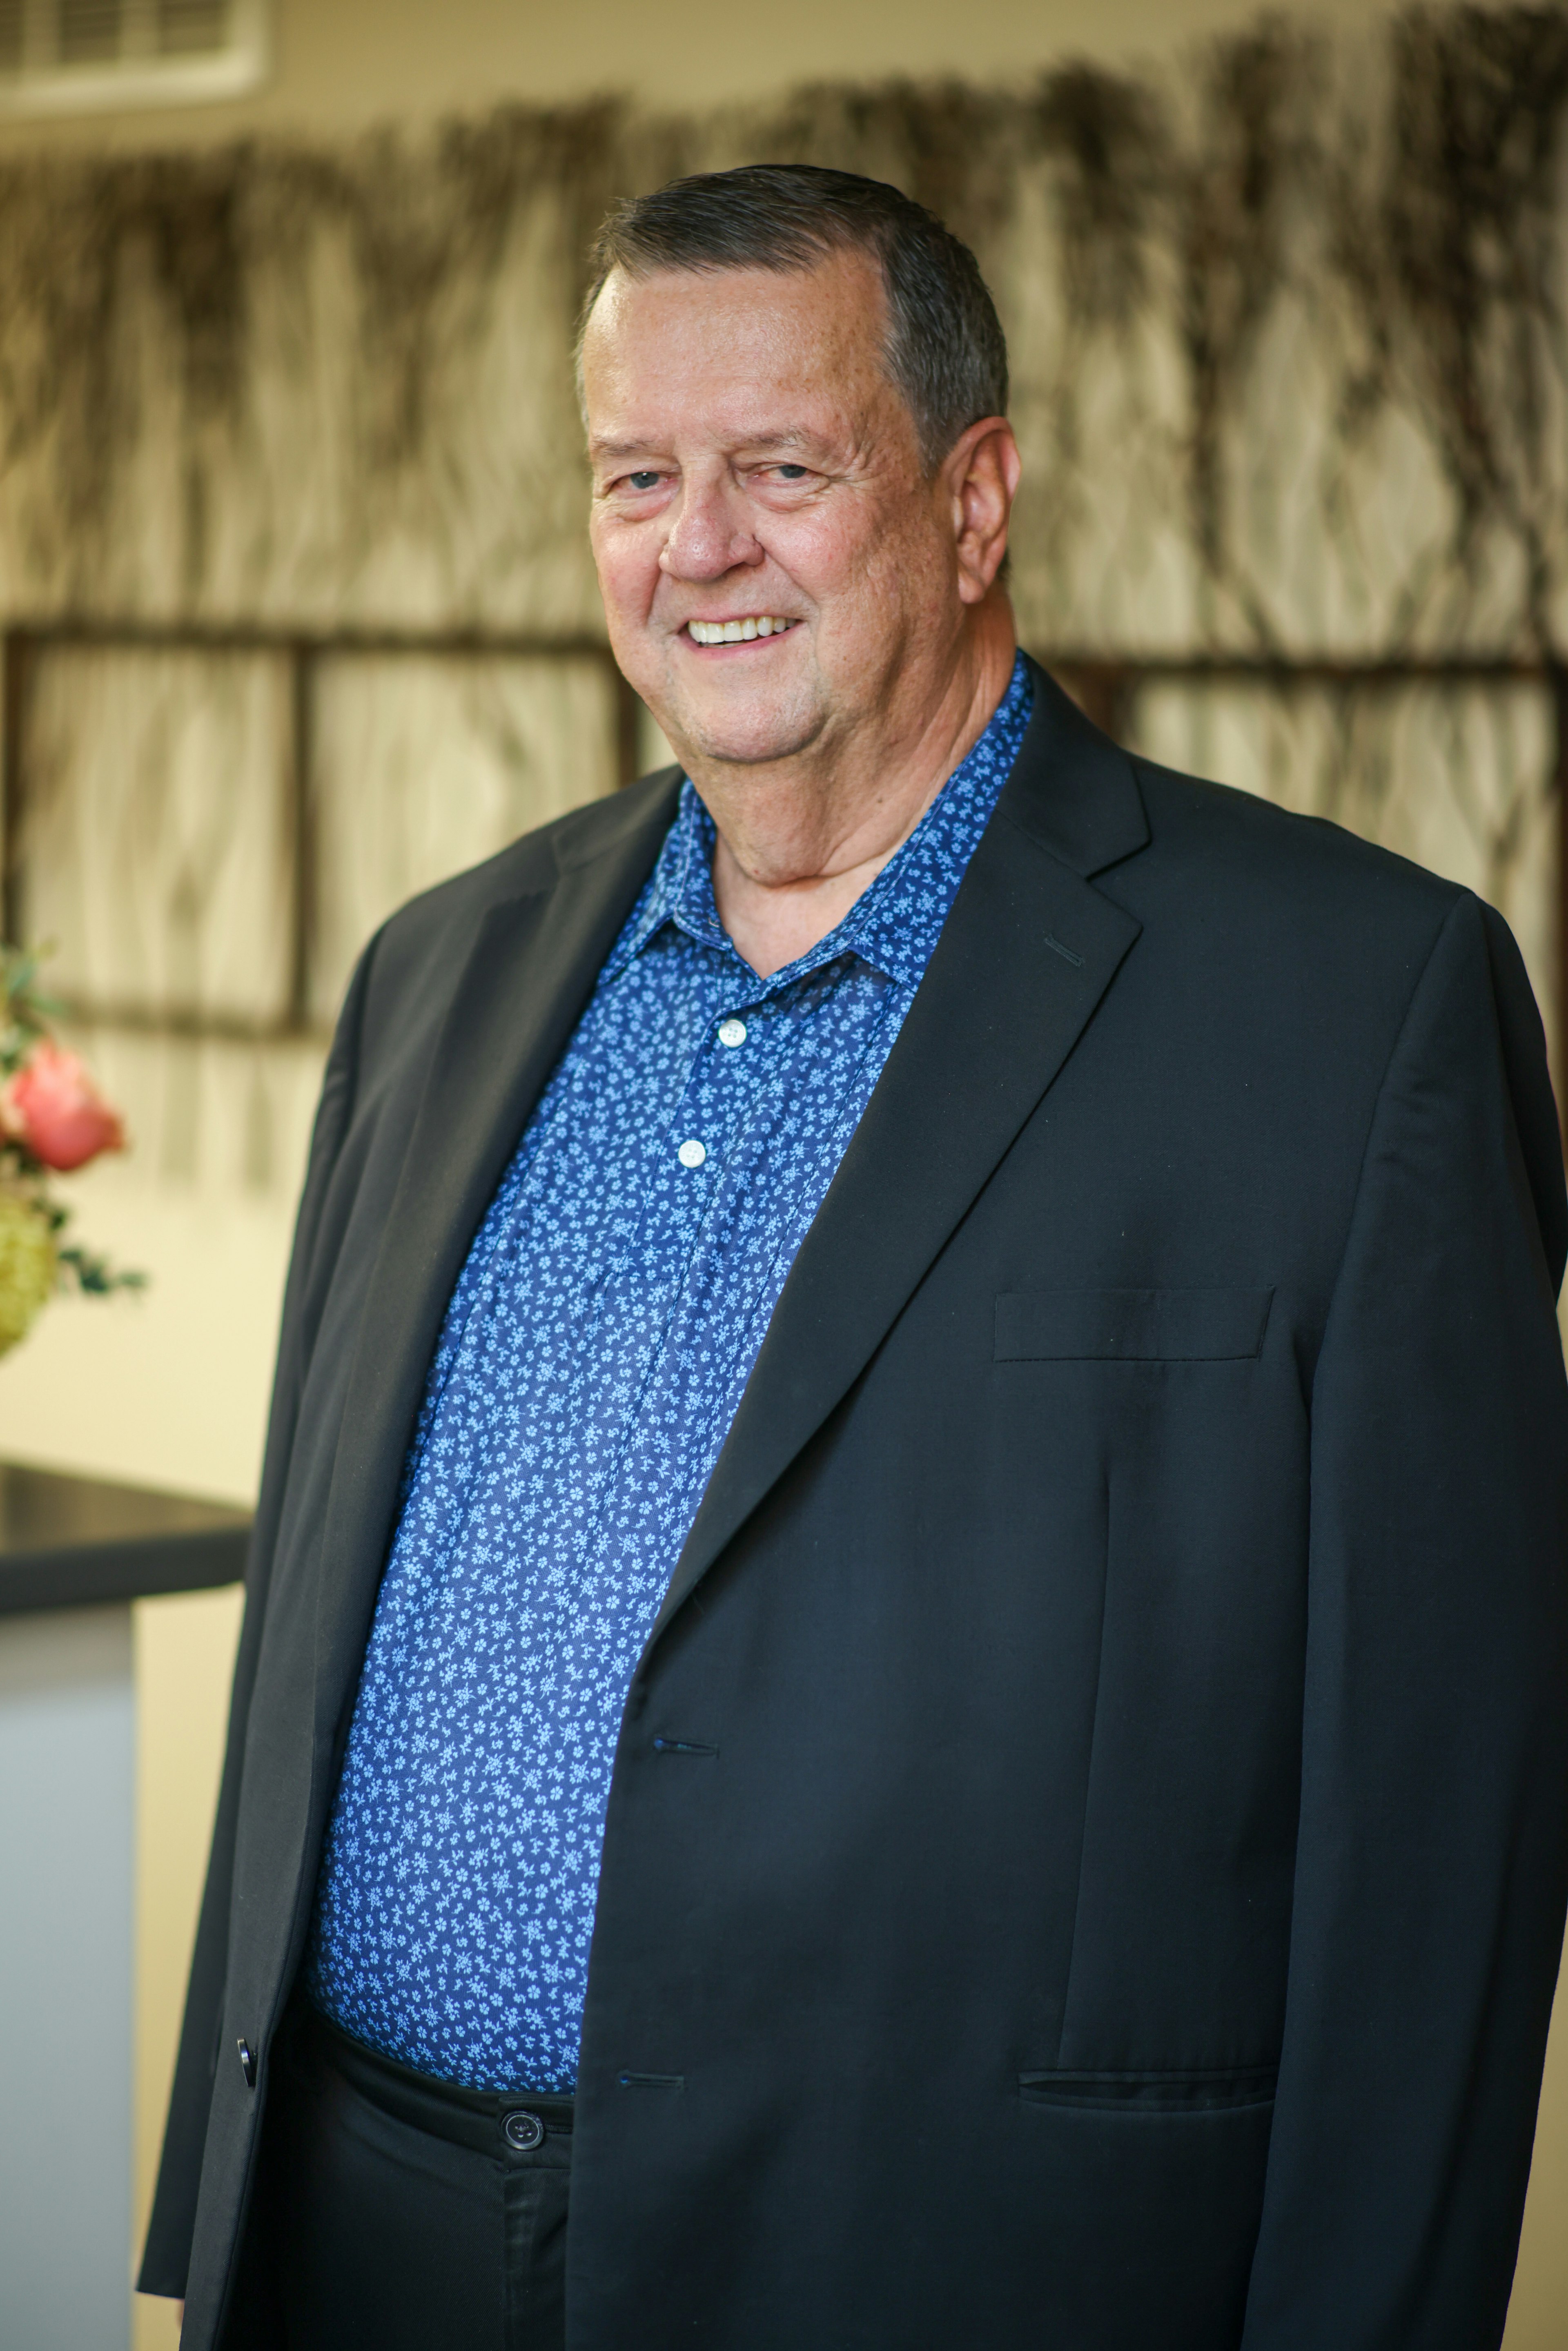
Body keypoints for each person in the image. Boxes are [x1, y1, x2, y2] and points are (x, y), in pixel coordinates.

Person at [141, 164, 1568, 2351]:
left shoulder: (1351, 1016)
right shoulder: (440, 974)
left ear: (973, 498)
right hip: (365, 2236)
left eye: (781, 469)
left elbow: (1443, 1844)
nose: (695, 542)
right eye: (639, 475)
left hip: (939, 2269)